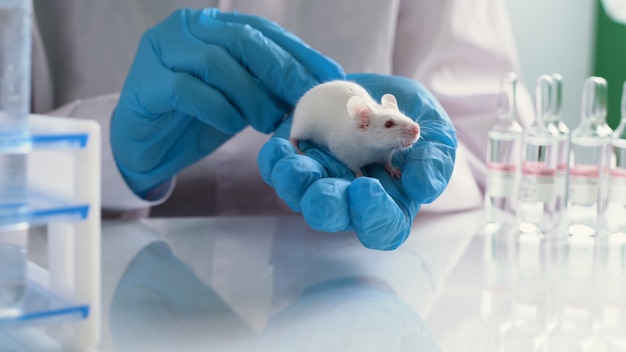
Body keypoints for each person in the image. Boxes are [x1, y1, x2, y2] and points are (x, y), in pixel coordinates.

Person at [31, 0, 531, 250]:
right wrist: (99, 160)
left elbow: (498, 144)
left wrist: (426, 166)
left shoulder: (376, 127)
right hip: (103, 279)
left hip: (350, 291)